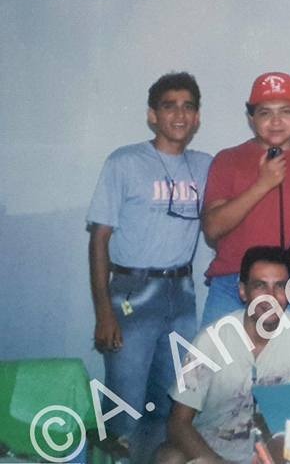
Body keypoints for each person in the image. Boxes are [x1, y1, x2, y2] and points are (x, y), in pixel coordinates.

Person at [86, 72, 213, 452]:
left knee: (174, 399)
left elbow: (253, 163)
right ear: (152, 115)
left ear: (197, 117)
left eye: (188, 106)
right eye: (169, 106)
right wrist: (103, 313)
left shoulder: (205, 166)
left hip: (182, 294)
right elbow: (99, 239)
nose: (179, 114)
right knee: (124, 402)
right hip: (132, 294)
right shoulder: (124, 162)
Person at [157, 246, 290, 464]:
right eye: (260, 286)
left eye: (280, 286)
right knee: (169, 457)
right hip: (214, 449)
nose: (271, 297)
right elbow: (178, 422)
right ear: (243, 291)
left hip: (274, 447)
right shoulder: (212, 340)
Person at [201, 72, 290, 327]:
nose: (276, 121)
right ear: (251, 118)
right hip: (233, 284)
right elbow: (212, 229)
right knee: (216, 354)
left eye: (286, 111)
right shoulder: (228, 160)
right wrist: (263, 184)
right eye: (265, 112)